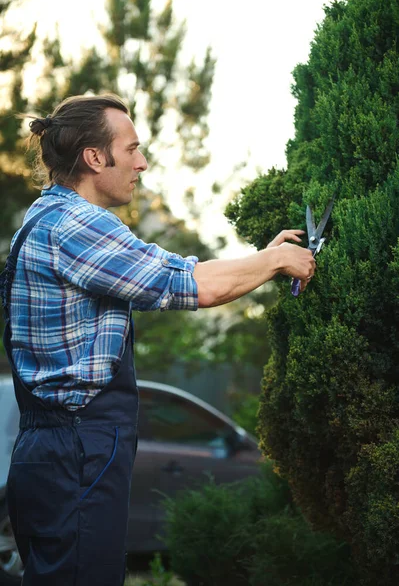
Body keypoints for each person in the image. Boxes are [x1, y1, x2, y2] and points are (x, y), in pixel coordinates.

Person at [1, 93, 315, 586]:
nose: (142, 163)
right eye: (132, 150)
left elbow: (177, 268)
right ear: (94, 157)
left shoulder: (46, 220)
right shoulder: (76, 227)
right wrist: (275, 263)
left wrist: (261, 257)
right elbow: (193, 286)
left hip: (54, 445)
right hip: (78, 446)